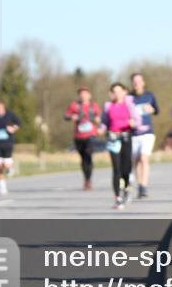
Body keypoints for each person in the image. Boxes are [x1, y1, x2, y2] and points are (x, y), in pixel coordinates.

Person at [101, 82, 137, 210]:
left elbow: (137, 120)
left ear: (124, 92)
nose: (116, 93)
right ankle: (117, 198)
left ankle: (127, 188)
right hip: (113, 138)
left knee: (126, 168)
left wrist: (133, 123)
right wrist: (101, 129)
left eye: (119, 91)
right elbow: (104, 122)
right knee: (116, 169)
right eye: (114, 91)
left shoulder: (129, 104)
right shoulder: (108, 106)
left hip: (126, 137)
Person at [129, 73, 160, 198]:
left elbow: (157, 110)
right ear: (132, 83)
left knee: (144, 158)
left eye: (139, 81)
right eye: (134, 81)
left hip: (148, 133)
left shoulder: (149, 95)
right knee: (136, 160)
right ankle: (140, 184)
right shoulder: (129, 98)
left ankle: (144, 186)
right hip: (134, 133)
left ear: (143, 82)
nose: (137, 83)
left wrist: (152, 110)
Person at [65, 88, 101, 190]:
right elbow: (66, 116)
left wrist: (97, 120)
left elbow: (100, 118)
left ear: (89, 95)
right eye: (81, 94)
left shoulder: (94, 106)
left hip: (91, 135)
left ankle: (88, 180)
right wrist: (72, 117)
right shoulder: (74, 105)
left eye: (85, 94)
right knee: (83, 158)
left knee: (88, 155)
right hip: (78, 136)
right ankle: (86, 179)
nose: (83, 96)